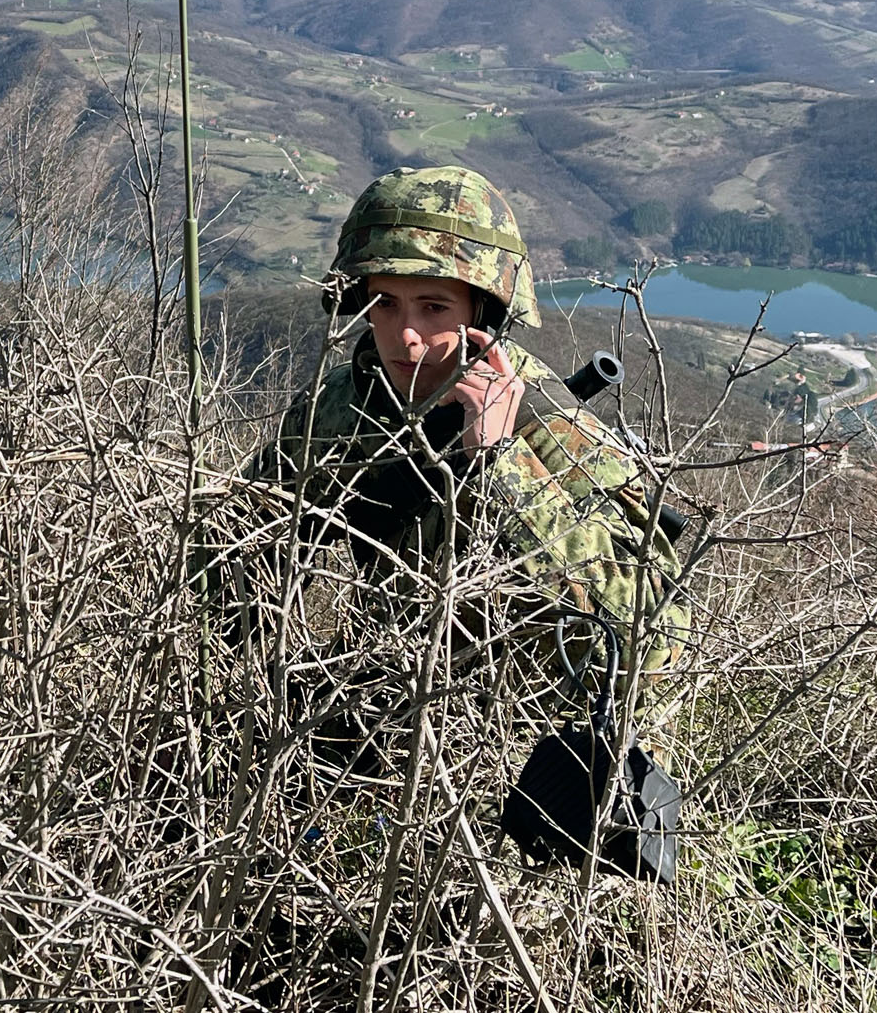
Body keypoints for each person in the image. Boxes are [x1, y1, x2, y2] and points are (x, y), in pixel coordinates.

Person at [246, 164, 686, 746]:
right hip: (386, 695)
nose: (405, 335)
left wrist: (499, 459)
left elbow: (649, 649)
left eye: (433, 308)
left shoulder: (551, 425)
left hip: (517, 734)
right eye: (384, 303)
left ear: (482, 313)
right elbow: (241, 542)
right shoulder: (339, 405)